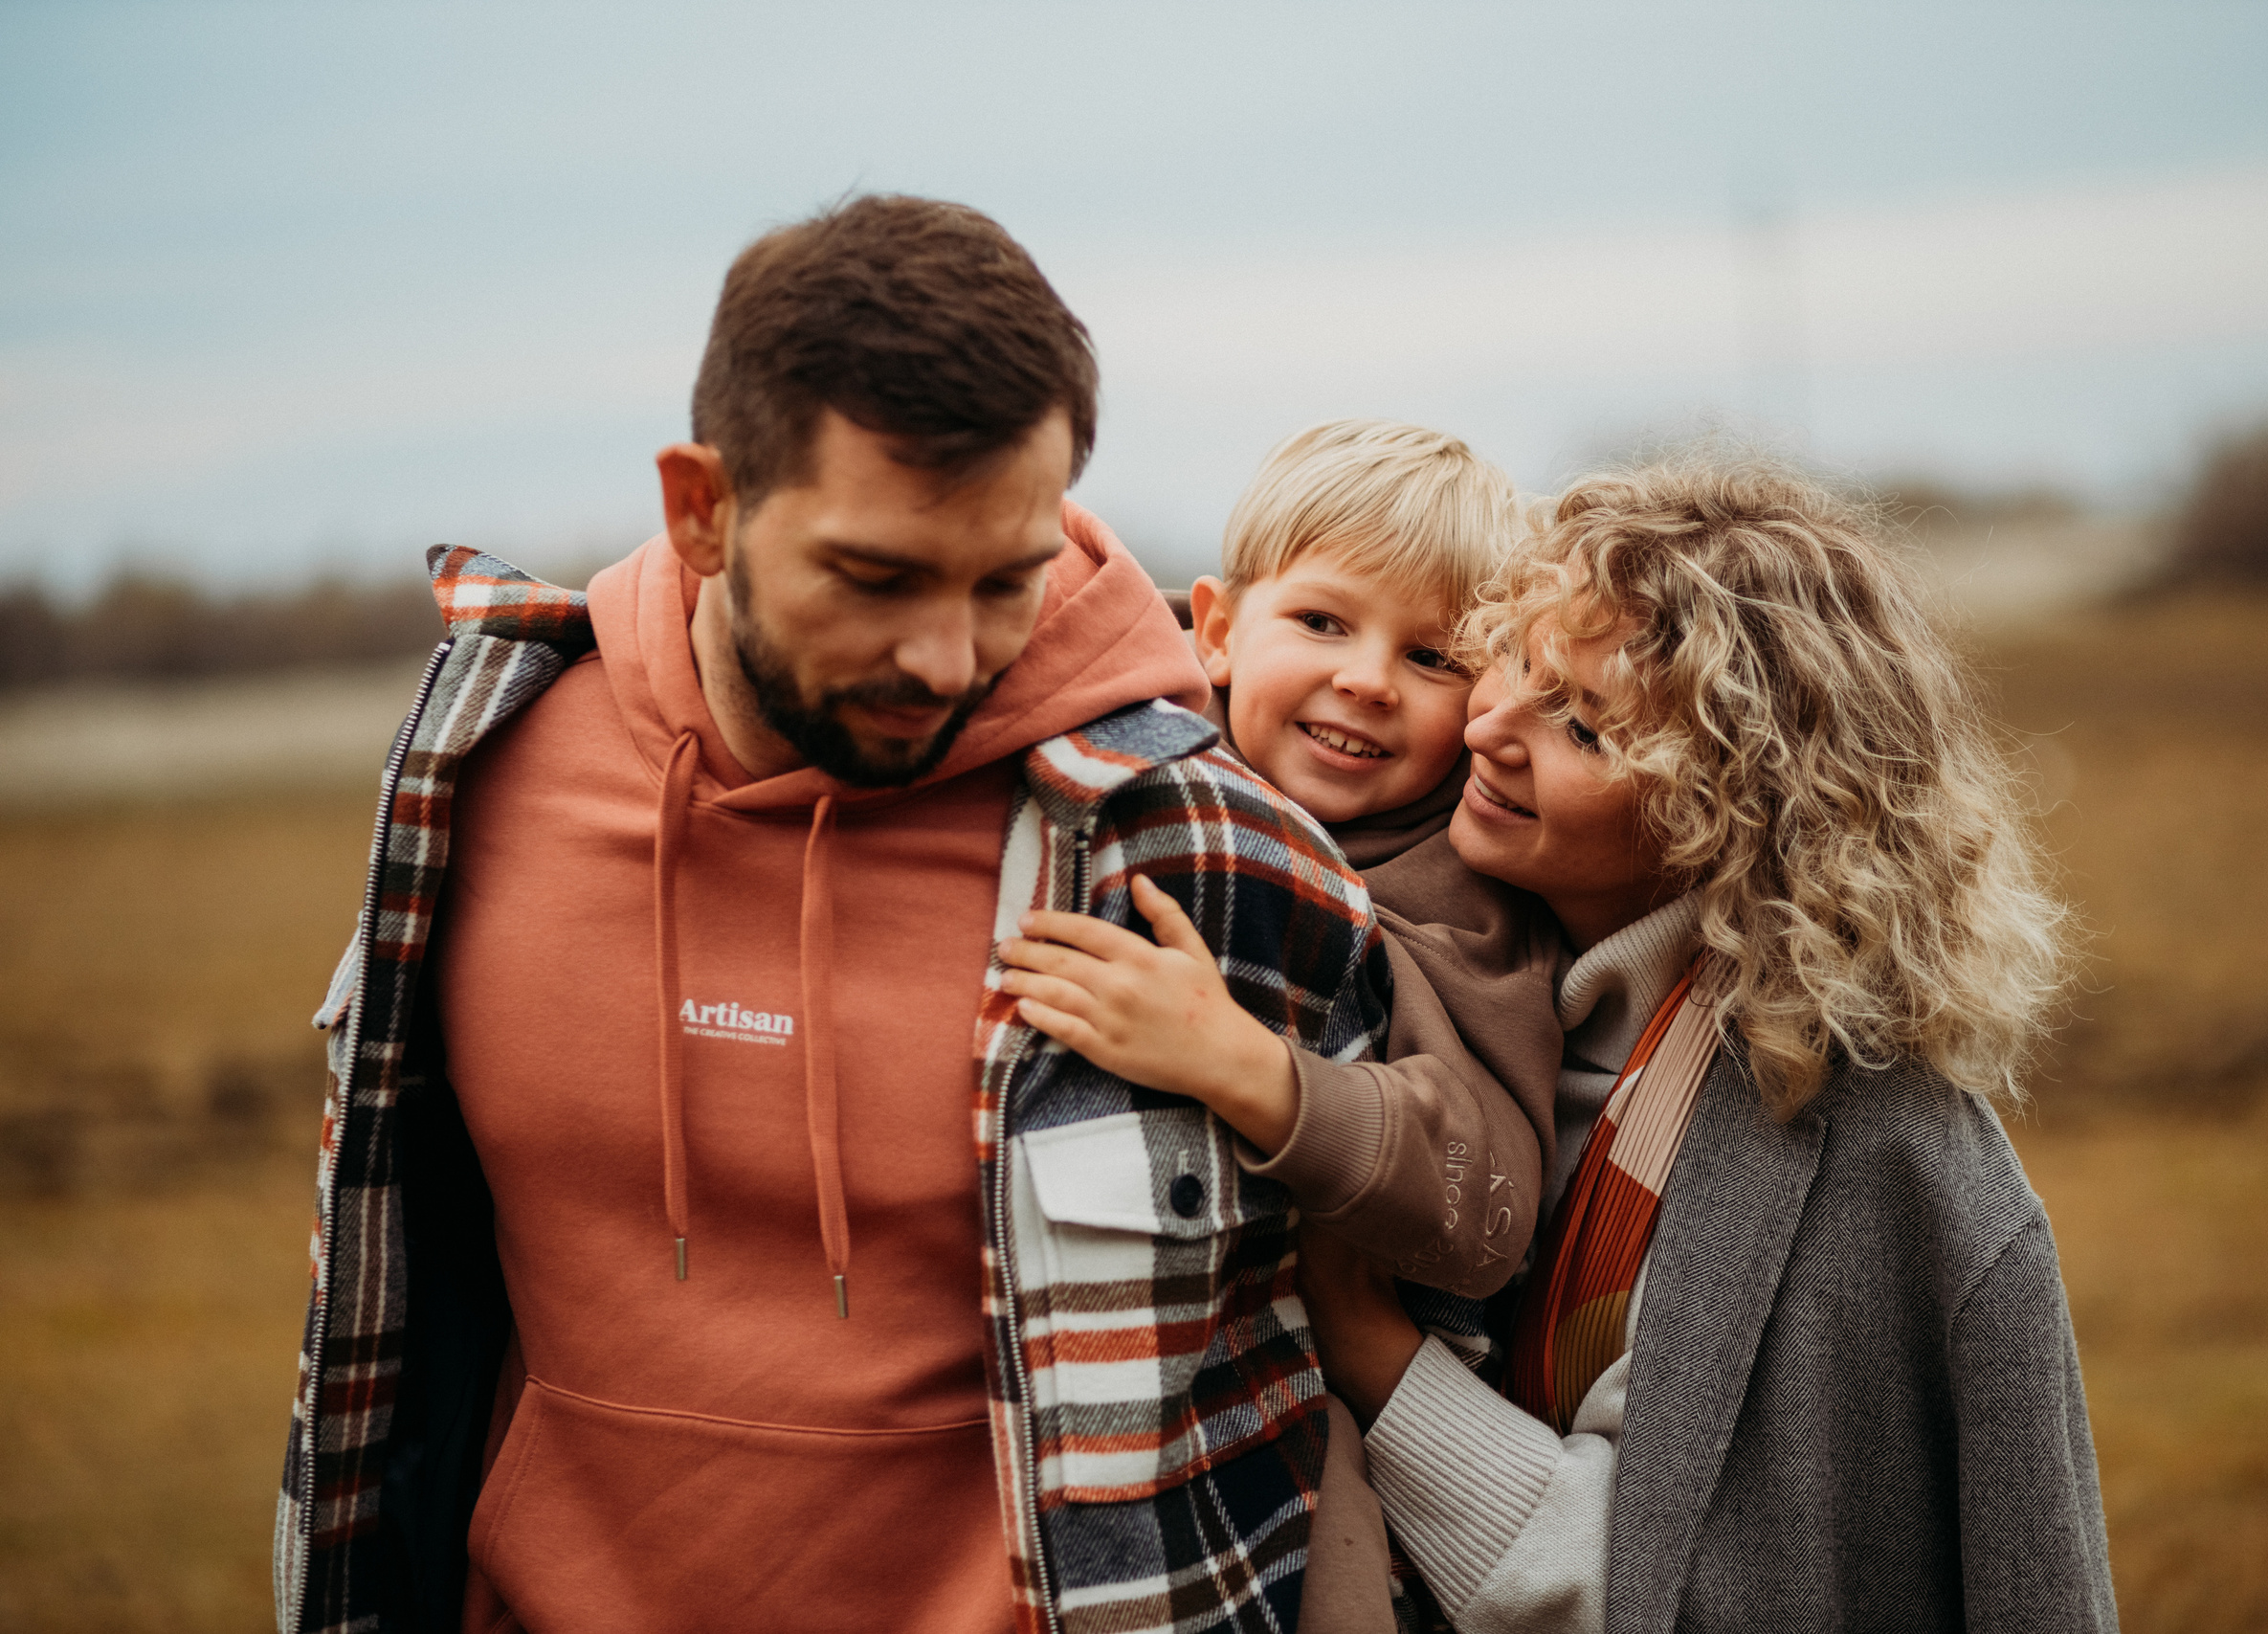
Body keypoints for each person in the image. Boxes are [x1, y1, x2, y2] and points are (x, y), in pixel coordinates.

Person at [274, 194, 1388, 1634]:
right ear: (705, 505)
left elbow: (1408, 1301)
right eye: (876, 578)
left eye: (1006, 579)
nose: (944, 655)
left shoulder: (1185, 842)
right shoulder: (472, 775)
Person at [1301, 453, 2117, 1633]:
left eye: (1581, 725)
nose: (1489, 727)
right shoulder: (1427, 983)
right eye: (1518, 662)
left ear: (1732, 809)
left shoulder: (1870, 1152)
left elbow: (1659, 1581)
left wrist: (1371, 1352)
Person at [1000, 419, 1565, 1629]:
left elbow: (1489, 1206)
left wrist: (1249, 1069)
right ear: (1213, 627)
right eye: (1322, 623)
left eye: (1430, 656)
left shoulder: (1462, 903)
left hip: (1327, 1403)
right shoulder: (1134, 786)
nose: (1366, 678)